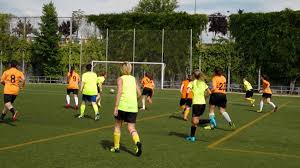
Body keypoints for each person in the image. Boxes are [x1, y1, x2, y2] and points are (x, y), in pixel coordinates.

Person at [110, 62, 142, 157]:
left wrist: (116, 106)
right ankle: (137, 142)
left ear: (122, 69)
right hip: (133, 107)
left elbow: (119, 92)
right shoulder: (133, 79)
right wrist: (135, 101)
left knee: (117, 126)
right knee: (131, 128)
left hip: (122, 106)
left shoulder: (120, 79)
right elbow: (139, 93)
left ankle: (116, 147)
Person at [185, 70, 211, 142]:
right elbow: (209, 92)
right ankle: (192, 137)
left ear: (193, 75)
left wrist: (187, 95)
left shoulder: (191, 83)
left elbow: (187, 91)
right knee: (194, 121)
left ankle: (210, 121)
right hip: (203, 104)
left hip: (196, 104)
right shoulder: (203, 83)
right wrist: (205, 97)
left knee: (195, 121)